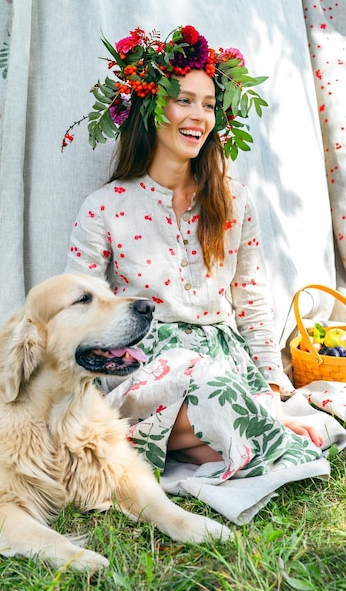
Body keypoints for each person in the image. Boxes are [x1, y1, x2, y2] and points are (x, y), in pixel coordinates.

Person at [63, 25, 323, 480]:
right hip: (146, 359)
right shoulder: (105, 207)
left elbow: (251, 297)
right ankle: (252, 437)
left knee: (212, 387)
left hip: (224, 361)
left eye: (208, 104)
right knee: (196, 379)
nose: (199, 115)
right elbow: (77, 306)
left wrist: (269, 386)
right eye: (184, 99)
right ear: (150, 106)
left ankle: (180, 440)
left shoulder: (233, 198)